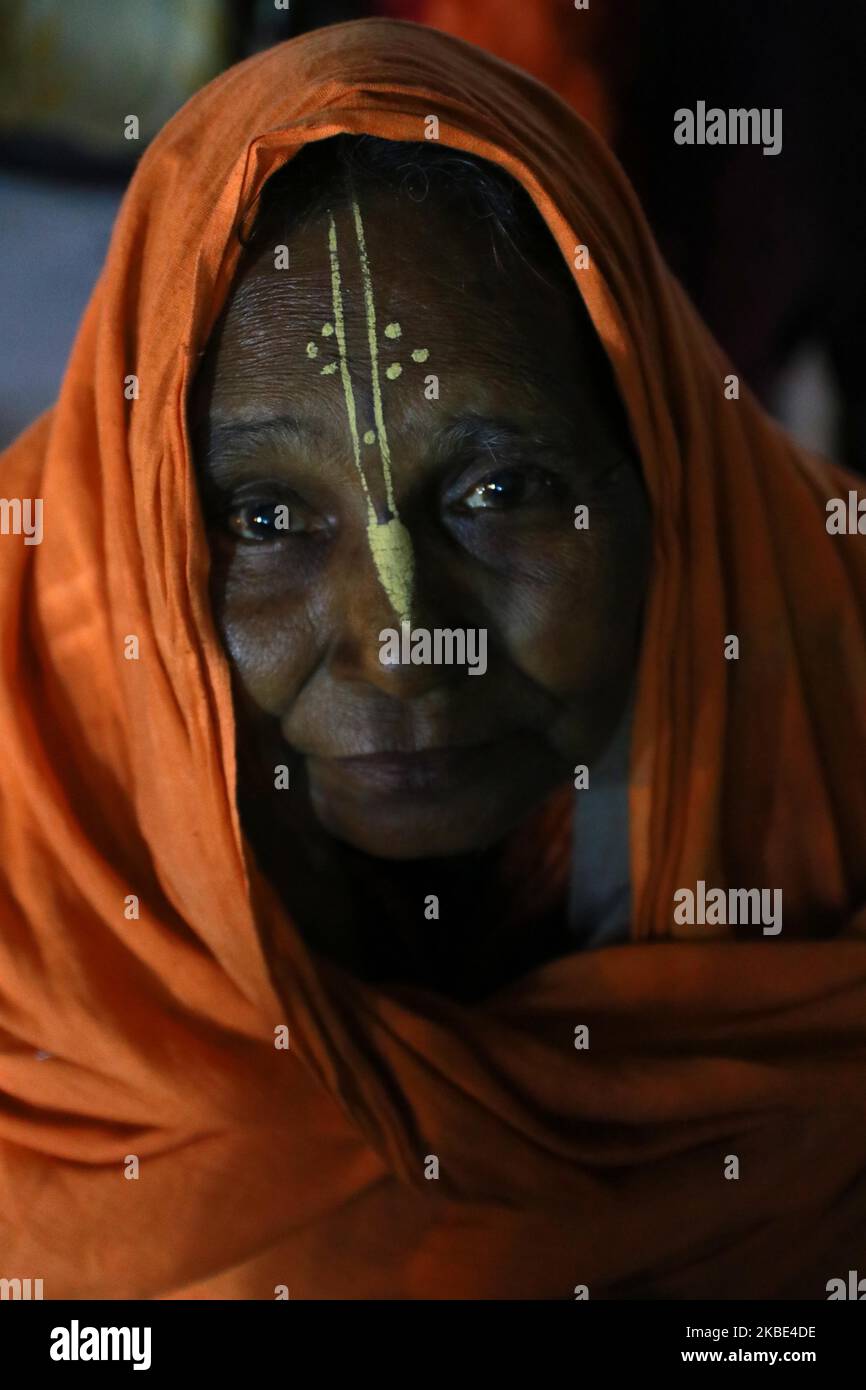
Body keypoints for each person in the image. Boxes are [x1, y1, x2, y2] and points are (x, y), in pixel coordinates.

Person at [1, 17, 865, 1301]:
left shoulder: (824, 668)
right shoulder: (36, 807)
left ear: (659, 459)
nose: (405, 647)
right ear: (142, 529)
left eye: (502, 489)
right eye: (268, 519)